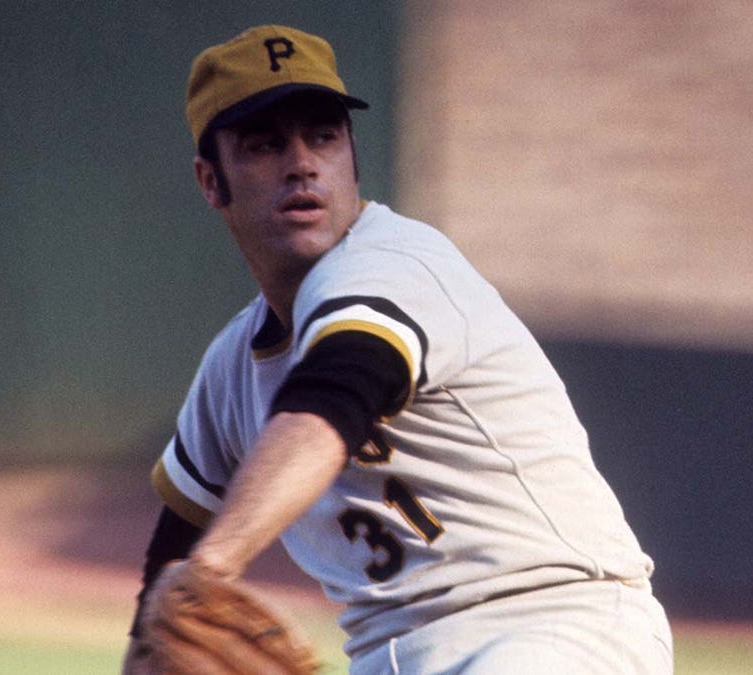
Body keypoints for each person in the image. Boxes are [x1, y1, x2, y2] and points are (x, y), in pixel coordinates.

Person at [124, 24, 673, 674]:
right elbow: (167, 579)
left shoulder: (395, 263)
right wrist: (155, 632)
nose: (301, 162)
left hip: (552, 623)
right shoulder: (231, 370)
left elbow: (334, 396)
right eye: (265, 144)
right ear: (211, 181)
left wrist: (214, 566)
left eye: (323, 136)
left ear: (352, 156)